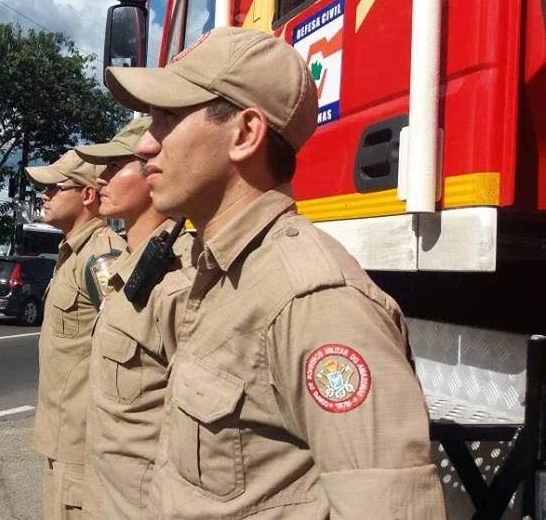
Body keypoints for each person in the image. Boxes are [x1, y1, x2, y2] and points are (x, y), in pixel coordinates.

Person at [103, 27, 446, 518]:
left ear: (245, 133)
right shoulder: (213, 274)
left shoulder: (315, 301)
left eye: (168, 118)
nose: (145, 146)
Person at [75, 116, 197, 519]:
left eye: (114, 167)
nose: (100, 181)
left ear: (152, 170)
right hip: (105, 496)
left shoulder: (182, 271)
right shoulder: (130, 263)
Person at [25, 150, 126, 520]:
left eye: (54, 188)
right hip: (62, 436)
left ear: (87, 195)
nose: (44, 196)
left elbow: (127, 350)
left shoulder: (102, 257)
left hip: (83, 443)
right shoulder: (72, 253)